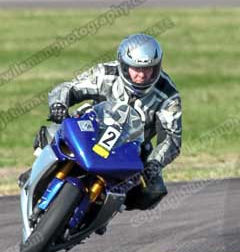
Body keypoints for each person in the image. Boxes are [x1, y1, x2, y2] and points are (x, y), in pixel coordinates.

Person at [21, 34, 182, 211]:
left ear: (157, 66)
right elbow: (69, 87)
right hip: (92, 127)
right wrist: (58, 105)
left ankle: (107, 207)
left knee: (153, 191)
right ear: (123, 64)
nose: (141, 75)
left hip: (133, 145)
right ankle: (36, 173)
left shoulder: (168, 94)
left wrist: (154, 164)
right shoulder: (105, 73)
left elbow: (172, 139)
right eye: (136, 68)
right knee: (54, 131)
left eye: (148, 69)